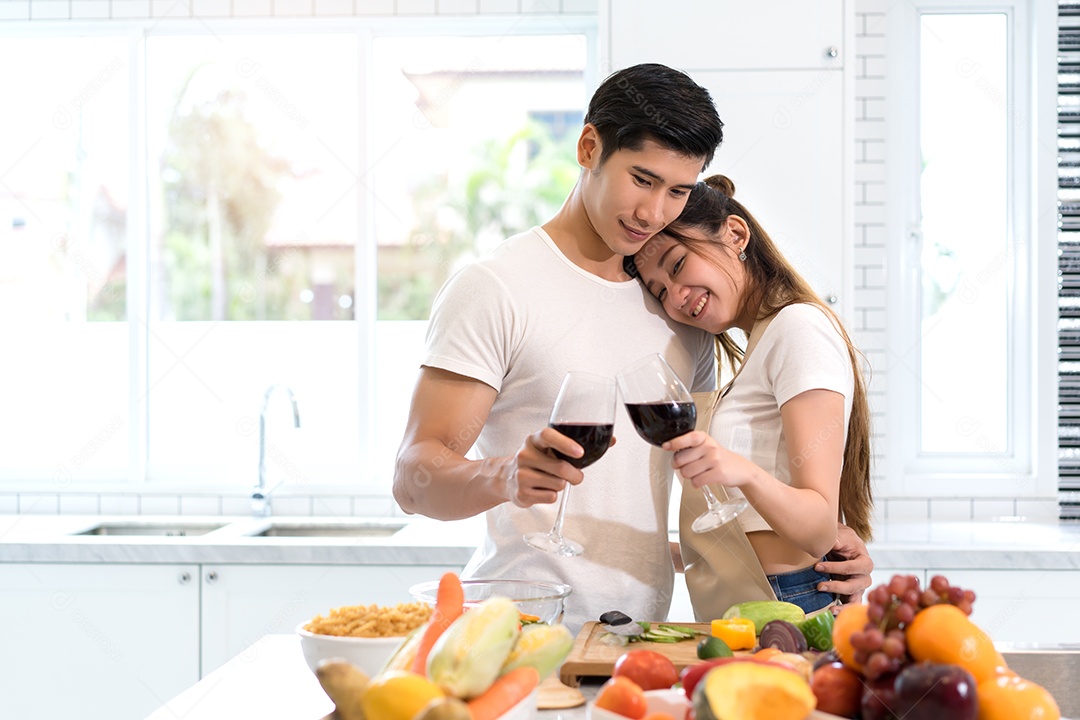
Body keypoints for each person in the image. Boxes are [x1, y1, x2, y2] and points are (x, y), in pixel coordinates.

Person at [393, 64, 871, 633]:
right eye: (642, 180)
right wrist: (504, 476)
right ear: (589, 146)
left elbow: (650, 501)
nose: (654, 213)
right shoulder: (495, 288)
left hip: (645, 634)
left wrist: (824, 552)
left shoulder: (678, 313)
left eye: (678, 191)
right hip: (524, 624)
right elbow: (412, 479)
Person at [627, 174, 875, 617]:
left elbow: (819, 528)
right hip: (757, 599)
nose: (677, 297)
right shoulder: (762, 342)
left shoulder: (797, 328)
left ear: (736, 234)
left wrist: (739, 470)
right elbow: (746, 534)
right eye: (660, 291)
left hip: (788, 600)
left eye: (678, 264)